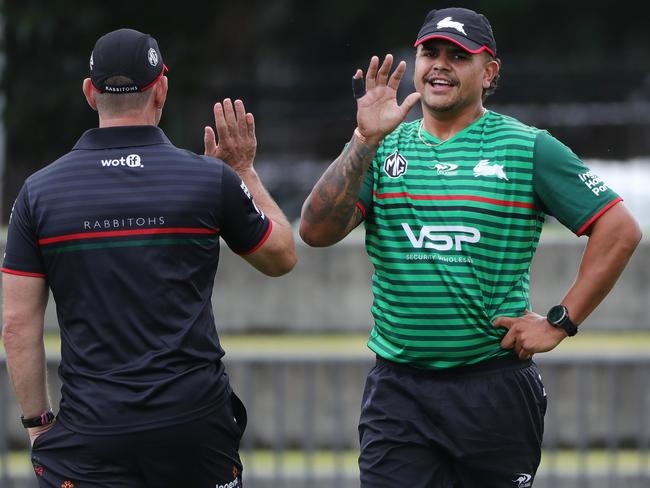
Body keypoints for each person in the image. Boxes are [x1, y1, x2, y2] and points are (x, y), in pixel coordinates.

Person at [300, 7, 641, 487]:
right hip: (400, 392)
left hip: (493, 389)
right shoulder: (380, 149)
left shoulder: (528, 147)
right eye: (430, 53)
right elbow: (315, 232)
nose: (440, 65)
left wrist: (561, 321)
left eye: (459, 56)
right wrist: (362, 140)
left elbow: (620, 229)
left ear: (489, 73)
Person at [1, 28, 296, 488]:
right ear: (161, 88)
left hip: (89, 434)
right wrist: (243, 171)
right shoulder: (208, 180)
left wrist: (38, 424)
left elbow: (16, 325)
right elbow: (282, 256)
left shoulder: (39, 193)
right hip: (195, 429)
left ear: (89, 93)